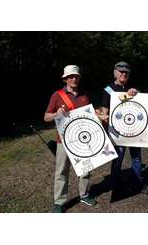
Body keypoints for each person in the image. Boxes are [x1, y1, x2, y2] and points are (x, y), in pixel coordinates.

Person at [44, 65, 97, 212]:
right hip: (64, 141)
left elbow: (91, 114)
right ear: (65, 79)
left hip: (84, 141)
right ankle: (59, 202)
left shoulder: (85, 94)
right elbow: (46, 117)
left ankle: (84, 194)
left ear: (79, 78)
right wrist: (56, 114)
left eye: (76, 76)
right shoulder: (57, 95)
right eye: (71, 76)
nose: (74, 79)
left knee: (85, 169)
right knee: (61, 171)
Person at [101, 61, 148, 195]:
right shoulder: (109, 90)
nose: (123, 74)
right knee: (118, 160)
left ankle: (138, 182)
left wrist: (137, 93)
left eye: (126, 72)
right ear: (115, 73)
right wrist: (104, 116)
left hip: (134, 130)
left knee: (136, 158)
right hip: (118, 132)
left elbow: (141, 103)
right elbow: (104, 111)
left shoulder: (131, 89)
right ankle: (116, 185)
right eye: (121, 71)